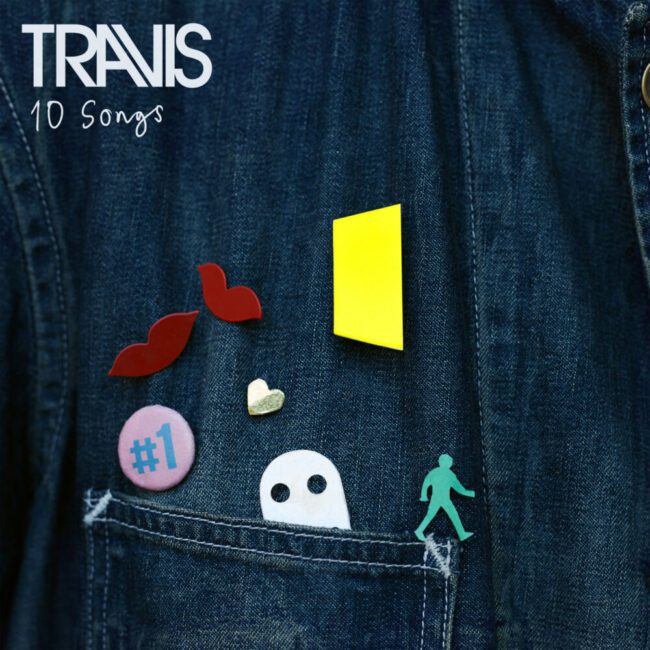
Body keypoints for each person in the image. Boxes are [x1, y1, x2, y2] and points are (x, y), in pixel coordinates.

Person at [415, 453, 475, 541]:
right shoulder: (450, 474)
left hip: (436, 499)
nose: (451, 463)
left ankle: (419, 531)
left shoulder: (434, 472)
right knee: (453, 515)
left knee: (430, 515)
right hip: (445, 500)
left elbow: (426, 483)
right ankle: (461, 534)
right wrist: (472, 493)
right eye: (450, 462)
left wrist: (423, 496)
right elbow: (460, 490)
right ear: (448, 463)